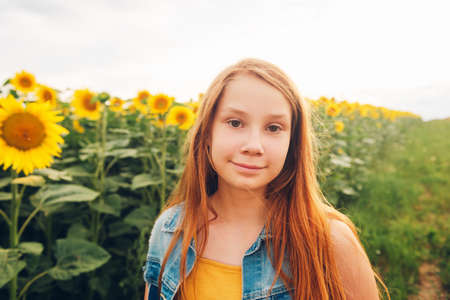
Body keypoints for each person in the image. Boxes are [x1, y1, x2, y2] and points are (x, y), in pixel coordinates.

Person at [143, 58, 389, 300]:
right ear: (207, 133)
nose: (253, 146)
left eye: (273, 128)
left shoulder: (330, 241)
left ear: (292, 143)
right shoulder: (170, 231)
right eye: (235, 123)